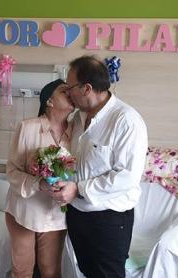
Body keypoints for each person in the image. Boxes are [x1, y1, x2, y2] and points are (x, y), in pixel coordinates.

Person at [49, 56, 148, 277]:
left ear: (87, 88)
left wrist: (78, 189)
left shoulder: (126, 121)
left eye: (70, 86)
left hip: (108, 219)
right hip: (77, 214)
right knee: (86, 271)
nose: (66, 91)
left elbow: (127, 176)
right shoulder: (77, 117)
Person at [5, 79, 75, 278]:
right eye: (64, 91)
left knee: (51, 272)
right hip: (23, 213)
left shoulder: (77, 132)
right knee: (22, 271)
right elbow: (12, 170)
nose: (70, 93)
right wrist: (39, 183)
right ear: (49, 102)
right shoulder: (27, 128)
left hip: (54, 215)